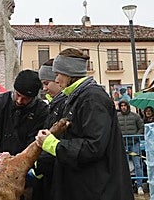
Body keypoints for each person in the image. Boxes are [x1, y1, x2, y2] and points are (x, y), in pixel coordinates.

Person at [35, 48, 133, 200]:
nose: (56, 80)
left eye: (57, 74)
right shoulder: (78, 97)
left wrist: (53, 144)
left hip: (97, 189)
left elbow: (94, 146)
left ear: (69, 74)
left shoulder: (92, 98)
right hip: (87, 187)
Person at [0, 69, 49, 161]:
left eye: (25, 98)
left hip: (28, 162)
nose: (19, 101)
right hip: (2, 160)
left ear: (33, 98)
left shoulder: (42, 111)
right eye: (18, 95)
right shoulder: (0, 102)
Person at [32, 60, 66, 200]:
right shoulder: (54, 105)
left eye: (46, 83)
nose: (44, 89)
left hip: (57, 177)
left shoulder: (64, 105)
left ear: (58, 80)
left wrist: (38, 166)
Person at [117, 100, 145, 195]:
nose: (123, 107)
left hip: (134, 143)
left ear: (128, 106)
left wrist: (137, 136)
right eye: (122, 106)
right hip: (122, 144)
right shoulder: (117, 117)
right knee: (121, 165)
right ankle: (123, 186)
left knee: (137, 164)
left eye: (125, 105)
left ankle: (139, 185)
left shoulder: (135, 116)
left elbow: (142, 127)